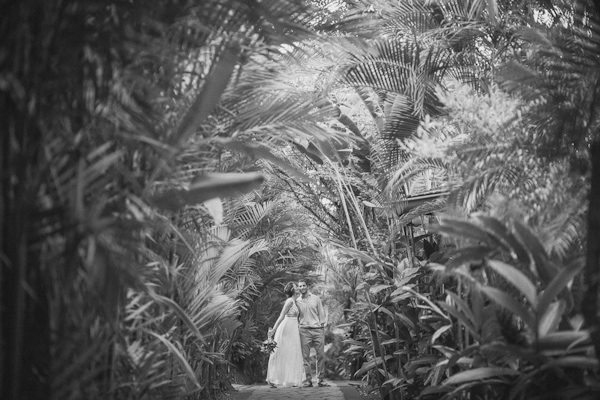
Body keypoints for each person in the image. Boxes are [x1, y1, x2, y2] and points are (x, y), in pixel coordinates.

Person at [266, 282, 305, 388]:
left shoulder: (295, 301)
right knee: (281, 351)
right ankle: (272, 379)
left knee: (291, 352)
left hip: (293, 329)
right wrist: (274, 329)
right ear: (292, 289)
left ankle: (290, 379)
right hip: (286, 328)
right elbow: (281, 315)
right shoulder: (289, 301)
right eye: (295, 286)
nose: (297, 288)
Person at [296, 278, 329, 387]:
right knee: (305, 357)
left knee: (320, 355)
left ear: (307, 286)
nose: (302, 288)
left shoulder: (316, 299)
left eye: (303, 285)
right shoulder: (297, 301)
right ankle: (308, 380)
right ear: (298, 288)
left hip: (317, 330)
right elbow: (296, 316)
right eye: (300, 286)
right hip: (304, 330)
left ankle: (320, 380)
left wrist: (322, 328)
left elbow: (321, 313)